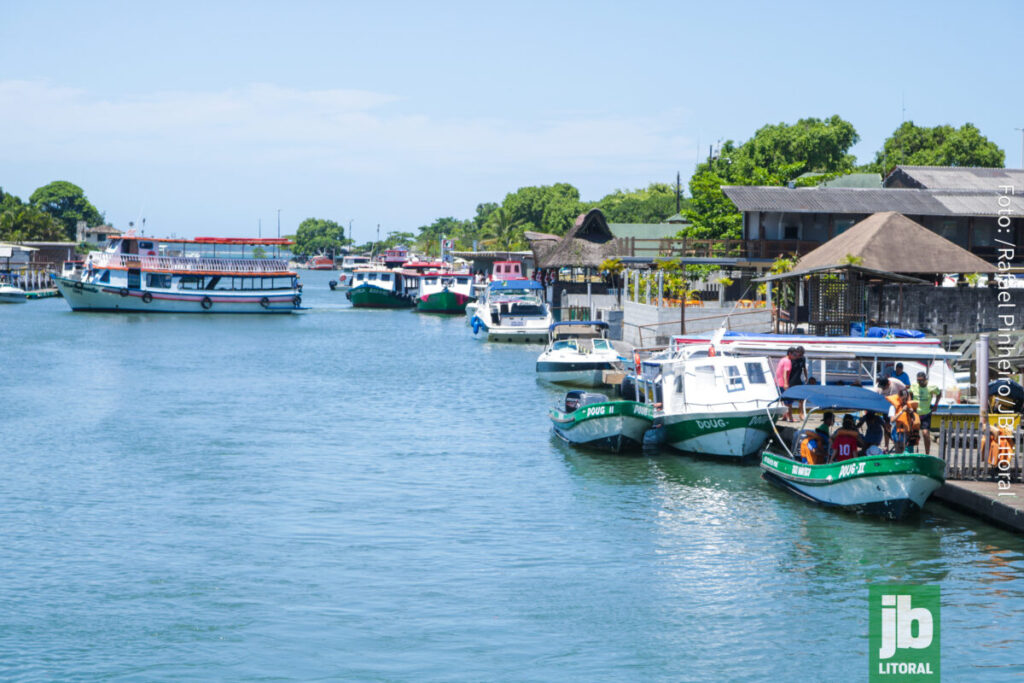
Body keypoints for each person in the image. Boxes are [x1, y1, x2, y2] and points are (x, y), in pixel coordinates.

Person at [910, 372, 941, 455]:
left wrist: (936, 405)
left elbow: (939, 394)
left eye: (921, 381)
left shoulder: (932, 386)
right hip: (915, 413)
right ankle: (911, 452)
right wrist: (910, 404)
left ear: (925, 379)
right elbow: (910, 393)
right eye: (918, 381)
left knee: (925, 433)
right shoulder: (914, 385)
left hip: (926, 413)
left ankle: (927, 453)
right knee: (912, 433)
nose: (920, 383)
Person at [887, 388, 920, 454]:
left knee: (904, 452)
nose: (904, 401)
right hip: (897, 432)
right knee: (899, 452)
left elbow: (913, 419)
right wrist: (901, 411)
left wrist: (911, 412)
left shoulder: (908, 406)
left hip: (906, 433)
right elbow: (892, 420)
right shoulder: (893, 407)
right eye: (903, 399)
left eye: (906, 399)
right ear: (899, 397)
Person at [775, 347, 796, 420]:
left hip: (777, 382)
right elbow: (785, 373)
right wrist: (786, 383)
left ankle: (784, 416)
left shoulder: (782, 359)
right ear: (790, 354)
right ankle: (790, 417)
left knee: (783, 400)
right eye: (794, 354)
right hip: (782, 383)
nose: (795, 356)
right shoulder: (788, 361)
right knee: (789, 401)